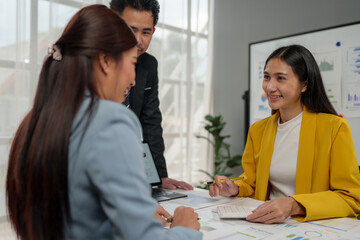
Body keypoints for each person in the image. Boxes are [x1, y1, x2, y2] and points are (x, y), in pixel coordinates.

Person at [6, 5, 201, 240]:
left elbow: (78, 209)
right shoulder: (110, 119)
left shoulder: (34, 122)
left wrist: (137, 210)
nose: (133, 77)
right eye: (131, 63)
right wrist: (185, 230)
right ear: (106, 61)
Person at [209, 44, 360, 224]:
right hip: (267, 226)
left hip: (313, 228)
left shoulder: (334, 127)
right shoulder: (258, 130)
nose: (270, 86)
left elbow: (350, 198)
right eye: (266, 77)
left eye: (281, 78)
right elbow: (251, 182)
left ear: (304, 84)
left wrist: (294, 205)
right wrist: (234, 188)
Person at [110, 0, 193, 190]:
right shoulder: (93, 64)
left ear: (153, 32)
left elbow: (151, 122)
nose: (138, 40)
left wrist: (158, 176)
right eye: (131, 30)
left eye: (145, 32)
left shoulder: (148, 65)